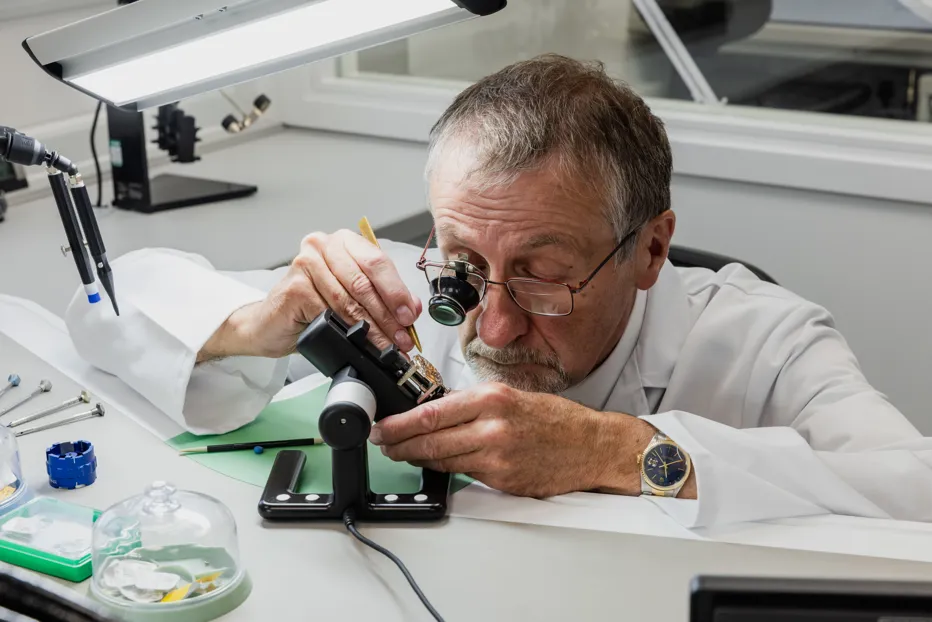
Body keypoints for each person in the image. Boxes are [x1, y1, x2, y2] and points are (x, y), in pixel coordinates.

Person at [67, 55, 932, 528]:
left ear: (651, 248)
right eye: (466, 266)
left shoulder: (760, 341)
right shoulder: (411, 293)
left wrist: (619, 453)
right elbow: (111, 305)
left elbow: (916, 489)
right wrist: (259, 322)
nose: (493, 320)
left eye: (545, 278)